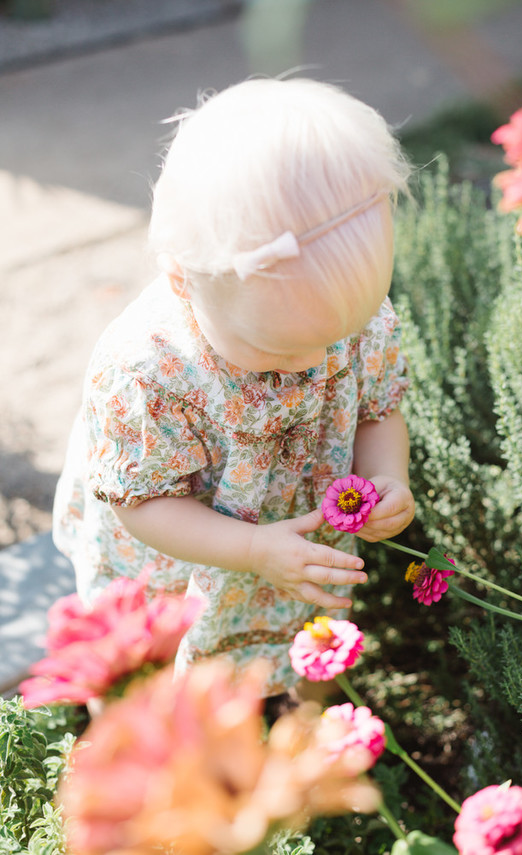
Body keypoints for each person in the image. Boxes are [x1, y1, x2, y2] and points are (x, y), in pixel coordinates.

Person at [53, 77, 415, 698]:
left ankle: (310, 721)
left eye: (340, 337)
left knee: (309, 635)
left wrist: (390, 476)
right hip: (184, 554)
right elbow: (144, 504)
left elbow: (379, 411)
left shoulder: (340, 322)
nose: (313, 362)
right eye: (278, 350)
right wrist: (251, 548)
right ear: (182, 281)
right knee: (156, 681)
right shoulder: (148, 370)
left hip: (292, 547)